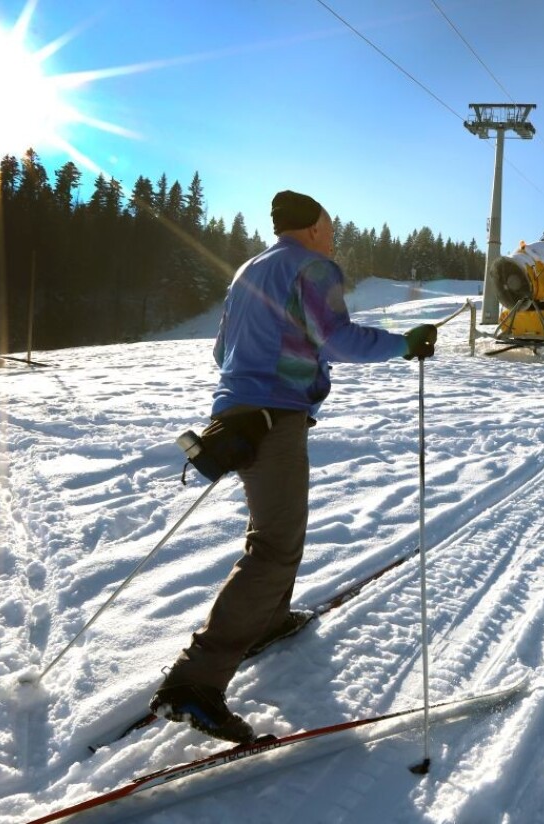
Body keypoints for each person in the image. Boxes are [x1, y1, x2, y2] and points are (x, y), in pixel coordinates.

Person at [150, 190, 438, 743]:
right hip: (274, 415)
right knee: (275, 545)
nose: (334, 235)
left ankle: (269, 620)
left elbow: (221, 352)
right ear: (310, 228)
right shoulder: (313, 265)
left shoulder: (249, 269)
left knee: (278, 531)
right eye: (330, 225)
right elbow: (338, 339)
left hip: (235, 415)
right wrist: (405, 344)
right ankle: (194, 684)